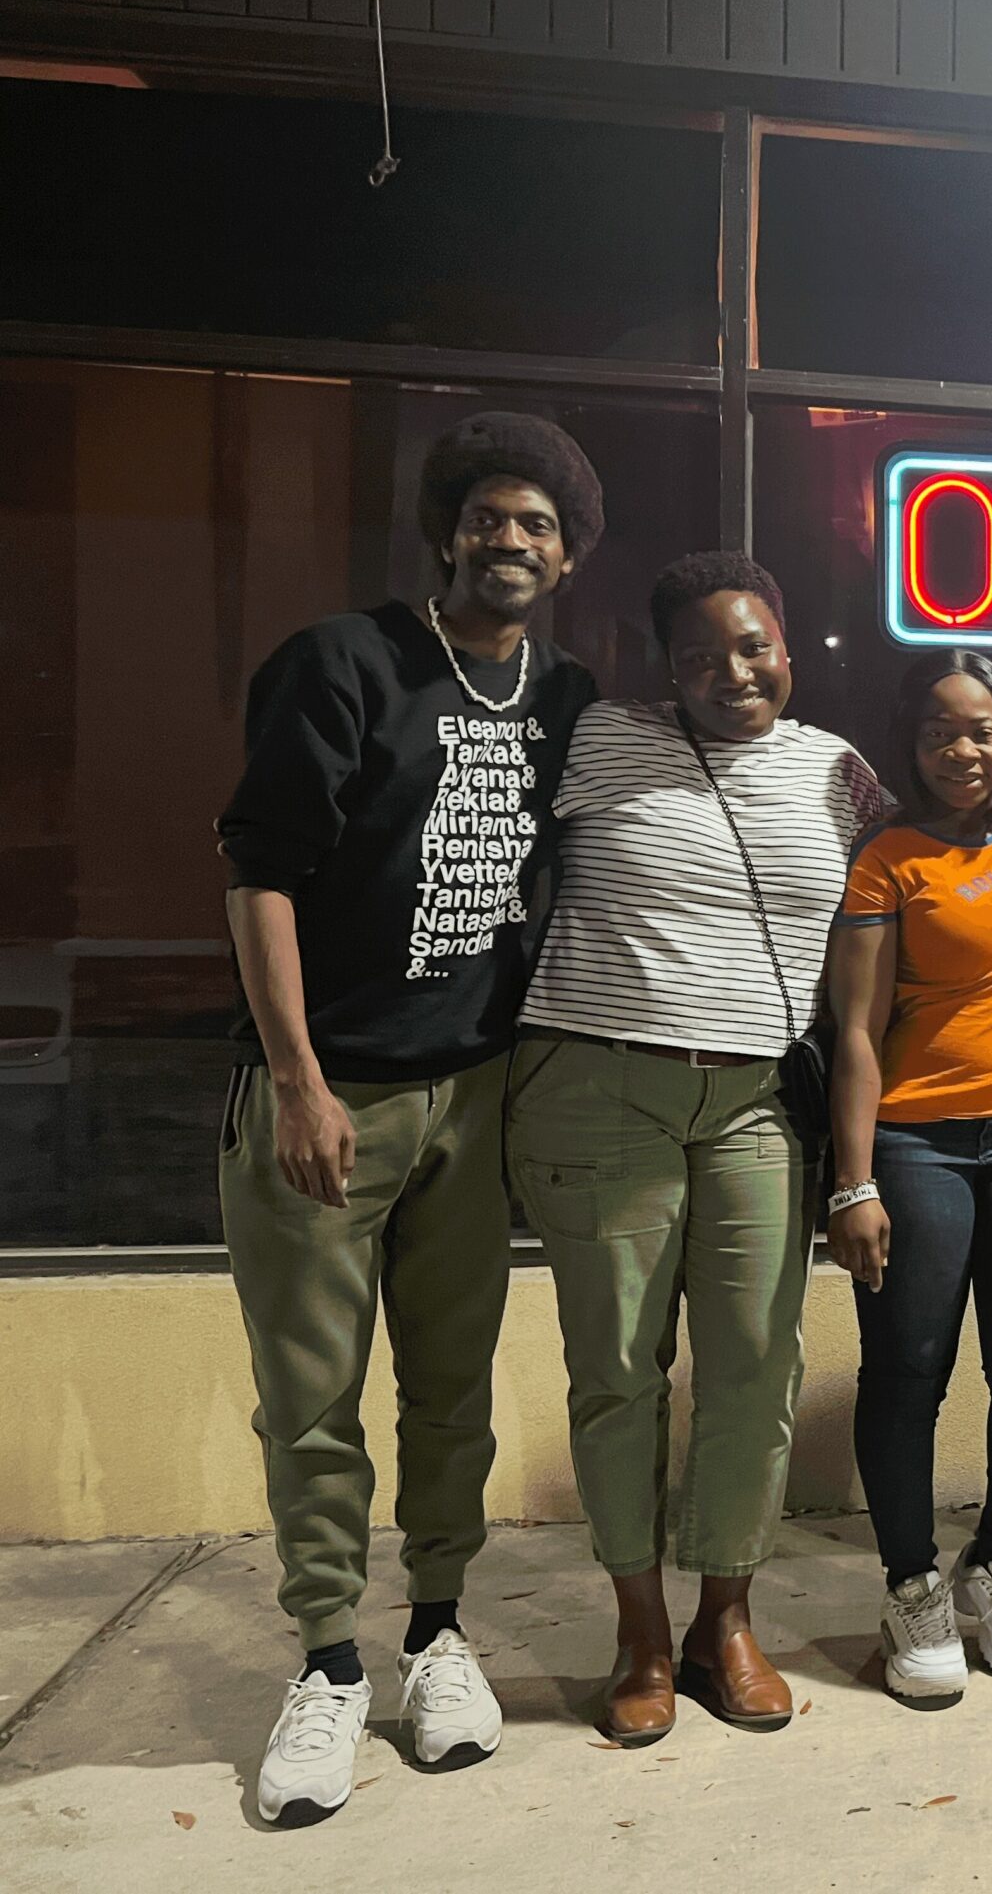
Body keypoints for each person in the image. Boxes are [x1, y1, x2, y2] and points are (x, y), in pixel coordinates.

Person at [215, 412, 602, 1826]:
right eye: (491, 517)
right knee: (312, 1399)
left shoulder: (566, 700)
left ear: (566, 560)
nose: (513, 541)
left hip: (478, 1090)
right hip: (334, 1093)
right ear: (449, 533)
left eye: (540, 527)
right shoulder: (348, 664)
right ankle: (326, 1662)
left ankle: (439, 1633)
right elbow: (258, 872)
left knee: (450, 1393)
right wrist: (301, 1077)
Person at [508, 552, 889, 1747]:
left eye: (754, 646)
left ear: (788, 643)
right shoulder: (592, 739)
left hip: (756, 1105)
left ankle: (725, 1615)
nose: (733, 673)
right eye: (700, 656)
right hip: (595, 1085)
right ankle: (637, 1627)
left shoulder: (840, 771)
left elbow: (951, 836)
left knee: (752, 1369)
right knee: (618, 1366)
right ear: (661, 666)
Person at [829, 650, 992, 1706]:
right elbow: (852, 1028)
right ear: (912, 741)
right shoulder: (889, 855)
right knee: (910, 1367)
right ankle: (913, 1585)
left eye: (980, 729)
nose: (962, 749)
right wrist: (853, 1182)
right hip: (917, 1141)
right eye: (940, 732)